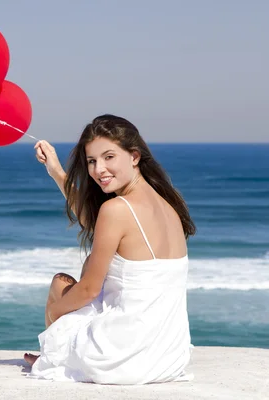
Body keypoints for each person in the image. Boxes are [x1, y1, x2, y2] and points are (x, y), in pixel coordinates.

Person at [24, 114, 196, 384]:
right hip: (168, 357)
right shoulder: (167, 204)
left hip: (124, 359)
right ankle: (60, 354)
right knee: (92, 264)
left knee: (61, 285)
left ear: (134, 156)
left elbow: (89, 289)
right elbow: (91, 222)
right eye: (92, 161)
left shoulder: (116, 209)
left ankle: (53, 356)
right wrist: (57, 171)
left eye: (109, 157)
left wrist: (54, 317)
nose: (98, 169)